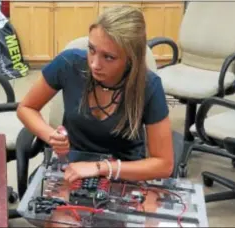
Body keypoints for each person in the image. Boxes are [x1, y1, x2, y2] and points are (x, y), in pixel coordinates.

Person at [17, 5, 174, 185]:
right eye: (91, 50)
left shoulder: (149, 86)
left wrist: (100, 167)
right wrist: (51, 135)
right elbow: (26, 107)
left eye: (108, 57)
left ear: (131, 58)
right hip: (71, 166)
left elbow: (163, 165)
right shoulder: (68, 64)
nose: (94, 64)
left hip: (123, 172)